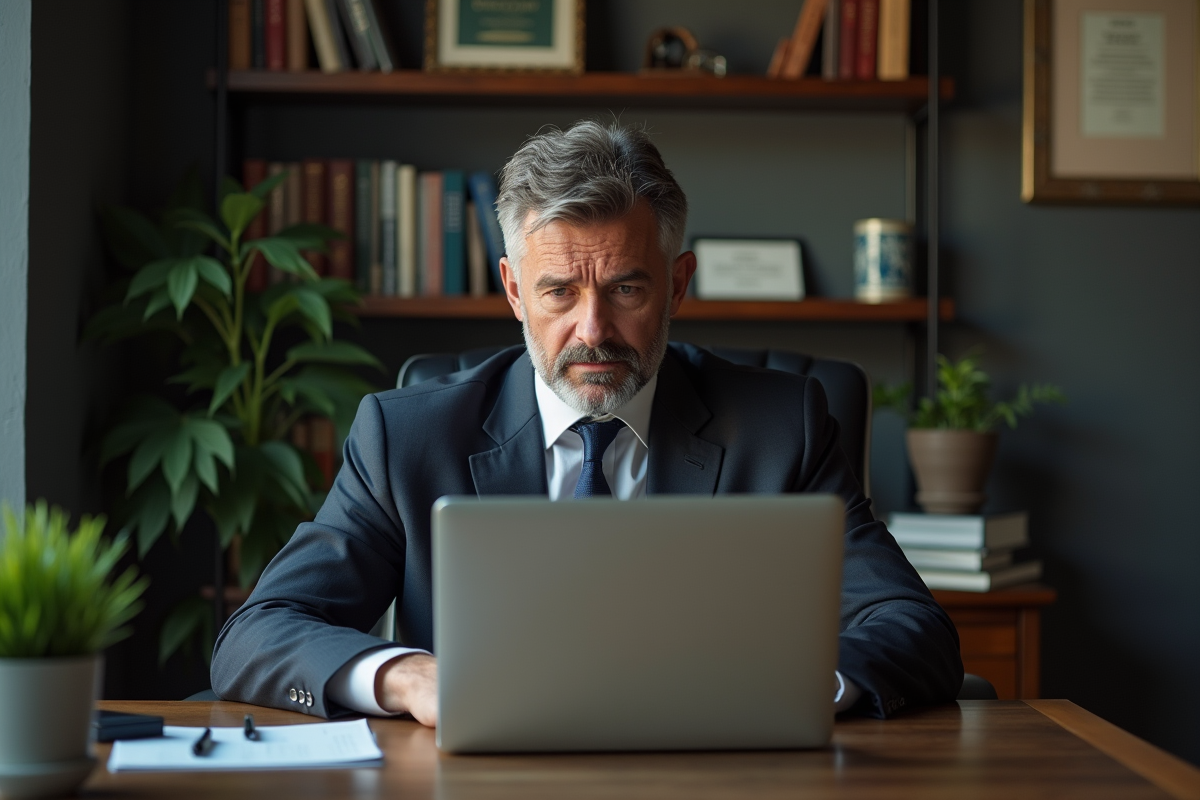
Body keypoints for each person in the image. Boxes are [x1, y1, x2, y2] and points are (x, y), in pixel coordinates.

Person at [211, 121, 963, 725]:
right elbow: (260, 629)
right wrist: (409, 676)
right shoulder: (405, 436)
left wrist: (802, 690)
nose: (592, 328)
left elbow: (911, 626)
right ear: (512, 290)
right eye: (559, 292)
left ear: (677, 286)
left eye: (627, 288)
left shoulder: (782, 426)